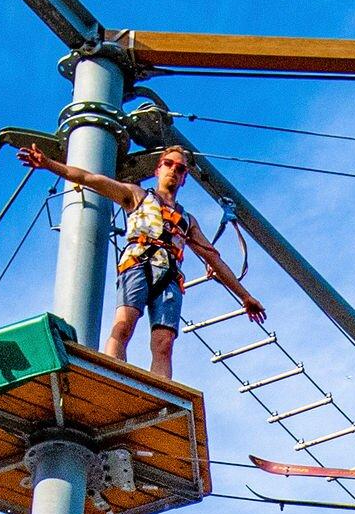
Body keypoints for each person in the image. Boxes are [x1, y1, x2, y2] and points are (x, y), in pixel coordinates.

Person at [15, 138, 268, 380]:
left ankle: (160, 392)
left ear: (184, 178)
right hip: (138, 264)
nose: (173, 171)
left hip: (168, 277)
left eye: (179, 169)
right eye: (168, 164)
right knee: (124, 325)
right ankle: (111, 377)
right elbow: (90, 179)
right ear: (158, 169)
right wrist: (49, 165)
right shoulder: (138, 196)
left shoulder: (188, 221)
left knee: (164, 343)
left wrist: (244, 296)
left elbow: (214, 260)